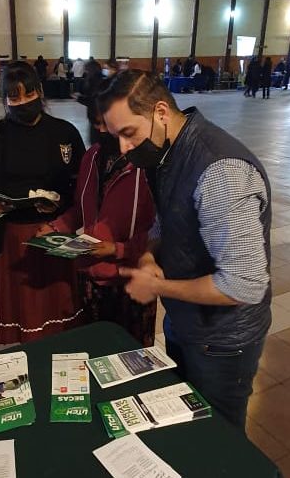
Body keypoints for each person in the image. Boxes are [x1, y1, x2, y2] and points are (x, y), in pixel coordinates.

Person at [98, 70, 271, 431]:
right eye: (116, 137)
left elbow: (243, 285)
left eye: (129, 133)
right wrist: (149, 255)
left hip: (223, 342)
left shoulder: (220, 171)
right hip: (186, 324)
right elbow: (166, 221)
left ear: (161, 112)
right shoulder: (165, 151)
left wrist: (157, 287)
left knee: (219, 438)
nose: (124, 148)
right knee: (188, 426)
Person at [0, 61, 85, 344]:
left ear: (40, 91)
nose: (22, 102)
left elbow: (81, 185)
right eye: (14, 97)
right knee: (26, 314)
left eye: (29, 94)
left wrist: (60, 206)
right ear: (4, 100)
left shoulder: (64, 133)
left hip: (56, 231)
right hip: (13, 236)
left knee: (60, 313)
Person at [37, 91, 157, 346]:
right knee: (94, 350)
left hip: (131, 279)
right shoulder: (92, 157)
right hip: (91, 278)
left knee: (130, 353)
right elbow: (81, 209)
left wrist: (117, 249)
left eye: (106, 123)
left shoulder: (149, 166)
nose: (101, 130)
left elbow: (160, 232)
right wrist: (55, 227)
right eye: (95, 123)